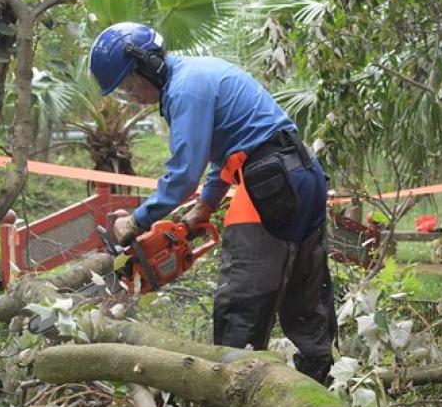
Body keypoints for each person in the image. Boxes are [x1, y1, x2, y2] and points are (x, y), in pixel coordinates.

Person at [89, 22, 335, 383]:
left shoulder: (184, 90)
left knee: (242, 299)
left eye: (129, 86)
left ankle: (231, 398)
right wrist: (205, 205)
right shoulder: (199, 73)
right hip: (303, 172)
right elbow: (227, 152)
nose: (133, 96)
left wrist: (137, 221)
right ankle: (319, 380)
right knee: (305, 291)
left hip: (270, 182)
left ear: (148, 66)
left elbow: (183, 174)